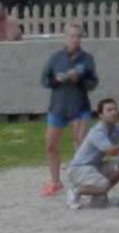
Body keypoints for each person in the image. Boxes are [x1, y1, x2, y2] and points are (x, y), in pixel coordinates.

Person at [40, 25, 98, 198]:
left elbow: (93, 83)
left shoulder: (87, 59)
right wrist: (56, 80)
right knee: (51, 146)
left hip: (79, 108)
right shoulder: (56, 58)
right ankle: (55, 182)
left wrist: (78, 80)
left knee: (80, 146)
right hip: (58, 107)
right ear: (65, 37)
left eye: (78, 36)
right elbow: (44, 80)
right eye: (72, 36)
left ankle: (80, 182)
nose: (75, 39)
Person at [65, 99, 119, 209]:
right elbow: (111, 151)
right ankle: (76, 191)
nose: (113, 112)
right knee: (104, 185)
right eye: (109, 110)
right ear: (101, 115)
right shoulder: (97, 131)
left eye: (115, 109)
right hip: (80, 169)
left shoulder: (117, 128)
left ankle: (99, 195)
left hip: (95, 166)